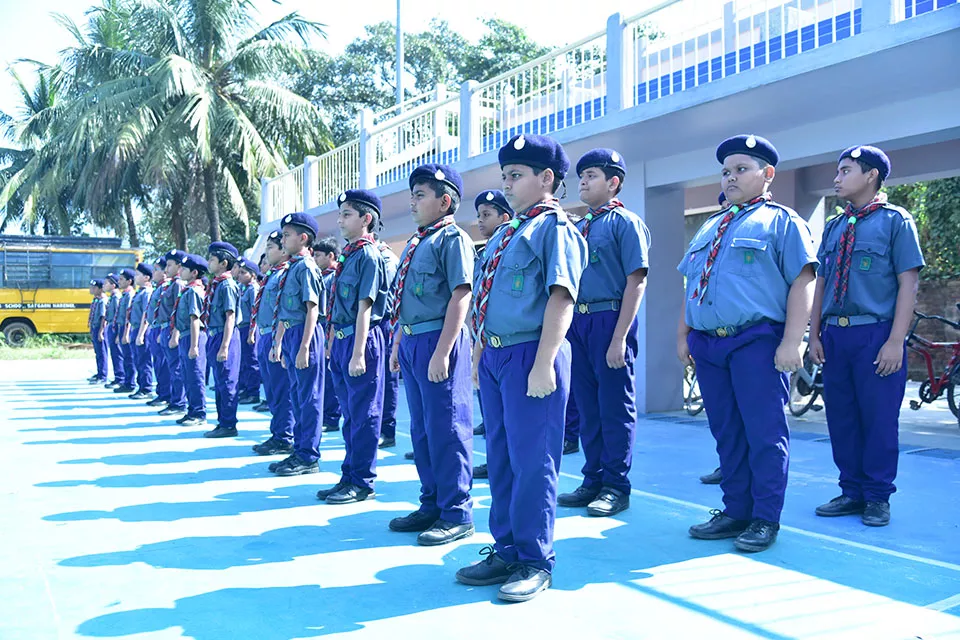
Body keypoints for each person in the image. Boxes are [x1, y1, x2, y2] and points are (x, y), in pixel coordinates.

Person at [456, 134, 587, 603]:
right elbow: (485, 301)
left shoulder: (554, 229)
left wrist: (545, 361)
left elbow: (561, 297)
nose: (507, 184)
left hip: (532, 353)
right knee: (502, 459)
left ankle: (535, 560)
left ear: (546, 178)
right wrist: (478, 357)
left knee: (534, 461)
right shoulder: (507, 233)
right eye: (505, 175)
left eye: (516, 175)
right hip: (496, 356)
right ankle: (507, 548)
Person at [678, 134, 818, 553]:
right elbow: (692, 284)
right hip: (709, 345)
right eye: (726, 171)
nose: (731, 177)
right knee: (727, 432)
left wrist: (793, 341)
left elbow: (803, 280)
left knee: (764, 433)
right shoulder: (711, 225)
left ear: (767, 174)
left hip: (756, 341)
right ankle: (736, 510)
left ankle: (764, 518)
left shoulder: (782, 222)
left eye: (741, 169)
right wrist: (684, 334)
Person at [809, 145, 924, 527]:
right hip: (835, 337)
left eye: (845, 170)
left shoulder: (896, 221)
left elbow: (908, 283)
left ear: (871, 174)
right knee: (841, 417)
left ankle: (877, 496)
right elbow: (821, 282)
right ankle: (851, 490)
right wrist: (814, 334)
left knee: (878, 418)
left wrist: (895, 341)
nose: (837, 178)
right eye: (837, 171)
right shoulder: (834, 226)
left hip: (875, 334)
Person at [558, 148, 650, 518]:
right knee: (587, 406)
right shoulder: (580, 227)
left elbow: (636, 281)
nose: (583, 182)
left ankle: (615, 486)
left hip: (609, 319)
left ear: (613, 183)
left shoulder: (625, 223)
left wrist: (619, 337)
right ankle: (592, 478)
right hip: (578, 322)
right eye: (581, 176)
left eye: (591, 175)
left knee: (614, 406)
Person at [387, 163, 475, 546]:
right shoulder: (416, 242)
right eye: (413, 195)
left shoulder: (452, 239)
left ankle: (456, 512)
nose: (412, 201)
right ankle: (432, 503)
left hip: (438, 340)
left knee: (448, 428)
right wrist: (397, 345)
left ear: (444, 202)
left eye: (420, 195)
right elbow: (403, 302)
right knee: (421, 429)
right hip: (412, 342)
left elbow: (461, 294)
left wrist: (443, 351)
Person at [315, 191, 388, 504]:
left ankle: (362, 481)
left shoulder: (368, 255)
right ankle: (349, 475)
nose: (340, 220)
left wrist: (358, 353)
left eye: (347, 214)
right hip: (343, 339)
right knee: (350, 414)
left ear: (365, 219)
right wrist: (334, 343)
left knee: (364, 414)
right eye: (340, 214)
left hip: (362, 339)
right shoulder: (350, 255)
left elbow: (364, 308)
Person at [269, 213, 326, 476]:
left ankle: (308, 456)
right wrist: (280, 343)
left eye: (287, 235)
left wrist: (304, 347)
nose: (283, 240)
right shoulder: (291, 267)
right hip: (292, 334)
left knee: (309, 397)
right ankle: (299, 449)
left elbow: (312, 309)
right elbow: (284, 311)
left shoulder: (306, 267)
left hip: (305, 335)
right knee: (296, 395)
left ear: (303, 238)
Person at [470, 189, 514, 481]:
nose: (480, 221)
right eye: (479, 215)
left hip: (510, 342)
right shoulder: (485, 252)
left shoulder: (510, 246)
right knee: (492, 416)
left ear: (504, 217)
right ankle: (495, 460)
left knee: (512, 417)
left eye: (487, 215)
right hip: (485, 341)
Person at [251, 231, 296, 457]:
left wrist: (278, 341)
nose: (267, 251)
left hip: (277, 335)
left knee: (281, 389)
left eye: (270, 247)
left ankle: (284, 436)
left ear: (283, 250)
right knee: (271, 390)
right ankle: (277, 432)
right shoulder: (271, 275)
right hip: (264, 335)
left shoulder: (285, 275)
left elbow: (284, 311)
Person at [204, 242, 243, 438]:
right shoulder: (217, 284)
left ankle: (229, 424)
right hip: (214, 334)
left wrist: (225, 346)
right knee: (219, 381)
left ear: (223, 263)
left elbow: (230, 317)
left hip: (224, 336)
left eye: (212, 259)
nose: (209, 263)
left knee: (227, 381)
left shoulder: (227, 285)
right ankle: (222, 422)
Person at [171, 254, 209, 427]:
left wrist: (194, 346)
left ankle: (199, 413)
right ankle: (191, 410)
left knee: (195, 375)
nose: (181, 271)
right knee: (187, 375)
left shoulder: (194, 291)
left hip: (193, 336)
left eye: (184, 269)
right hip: (186, 335)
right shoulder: (187, 290)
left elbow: (195, 319)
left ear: (194, 273)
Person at [312, 236, 343, 433]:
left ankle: (331, 418)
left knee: (329, 376)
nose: (315, 259)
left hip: (329, 325)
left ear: (331, 256)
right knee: (321, 375)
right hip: (320, 325)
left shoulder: (334, 277)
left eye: (318, 255)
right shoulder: (320, 276)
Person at [376, 236, 401, 449]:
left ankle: (387, 430)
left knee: (387, 379)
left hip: (386, 322)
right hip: (373, 323)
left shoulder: (386, 259)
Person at [158, 250, 188, 417]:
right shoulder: (171, 284)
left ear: (179, 266)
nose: (166, 269)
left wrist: (175, 334)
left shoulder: (178, 285)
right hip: (165, 329)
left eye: (169, 265)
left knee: (176, 368)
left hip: (172, 330)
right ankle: (173, 399)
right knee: (170, 367)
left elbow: (178, 311)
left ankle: (179, 402)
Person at [144, 258, 171, 408]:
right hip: (154, 328)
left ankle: (166, 395)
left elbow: (168, 312)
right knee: (158, 364)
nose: (153, 272)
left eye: (156, 269)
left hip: (162, 328)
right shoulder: (158, 288)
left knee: (163, 364)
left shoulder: (166, 288)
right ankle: (161, 393)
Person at [237, 257, 263, 405]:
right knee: (244, 360)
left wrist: (252, 332)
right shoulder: (243, 288)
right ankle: (246, 389)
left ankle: (254, 392)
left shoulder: (253, 289)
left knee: (252, 360)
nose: (239, 275)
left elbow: (255, 311)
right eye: (239, 272)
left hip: (249, 327)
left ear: (253, 275)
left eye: (243, 273)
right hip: (242, 327)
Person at [128, 263, 156, 400]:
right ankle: (141, 387)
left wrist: (141, 334)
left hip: (142, 330)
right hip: (135, 329)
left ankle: (146, 388)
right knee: (138, 359)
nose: (135, 277)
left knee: (144, 360)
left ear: (146, 278)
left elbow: (146, 314)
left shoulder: (147, 293)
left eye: (138, 275)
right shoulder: (140, 292)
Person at [87, 279, 108, 384]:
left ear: (100, 289)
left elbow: (103, 317)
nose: (91, 289)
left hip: (99, 328)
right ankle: (99, 372)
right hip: (94, 328)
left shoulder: (103, 300)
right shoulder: (96, 300)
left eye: (94, 287)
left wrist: (101, 331)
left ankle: (103, 375)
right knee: (98, 352)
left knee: (102, 352)